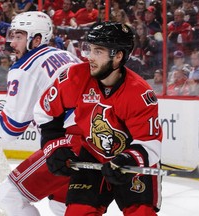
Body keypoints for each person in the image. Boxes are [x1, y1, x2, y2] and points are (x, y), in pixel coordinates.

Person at [34, 22, 162, 216]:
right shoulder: (75, 77)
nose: (90, 57)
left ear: (118, 56)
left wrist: (127, 159)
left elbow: (149, 143)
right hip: (92, 153)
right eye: (90, 49)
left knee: (140, 213)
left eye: (99, 51)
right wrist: (54, 146)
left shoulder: (140, 93)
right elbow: (45, 113)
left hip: (131, 162)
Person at [0, 11, 82, 216]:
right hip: (94, 136)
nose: (12, 43)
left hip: (68, 144)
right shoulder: (67, 55)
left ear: (36, 39)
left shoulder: (25, 67)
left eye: (18, 37)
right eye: (12, 36)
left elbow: (11, 129)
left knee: (11, 195)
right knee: (62, 205)